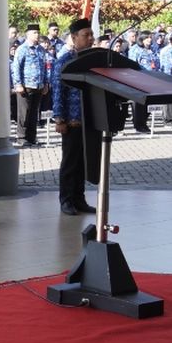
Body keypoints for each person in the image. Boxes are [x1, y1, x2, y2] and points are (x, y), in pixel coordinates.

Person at [51, 18, 96, 216]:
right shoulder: (64, 61)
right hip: (71, 120)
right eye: (86, 35)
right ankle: (66, 200)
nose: (91, 39)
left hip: (89, 119)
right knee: (70, 162)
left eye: (91, 35)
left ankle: (79, 198)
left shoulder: (91, 59)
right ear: (74, 37)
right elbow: (58, 91)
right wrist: (59, 118)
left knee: (82, 163)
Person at [11, 23, 49, 146]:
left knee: (34, 114)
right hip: (26, 86)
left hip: (38, 86)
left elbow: (45, 67)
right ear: (27, 34)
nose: (37, 35)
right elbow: (16, 67)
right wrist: (18, 84)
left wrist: (45, 83)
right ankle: (22, 138)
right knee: (24, 114)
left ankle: (32, 138)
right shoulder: (22, 49)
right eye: (34, 33)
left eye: (38, 33)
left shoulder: (41, 50)